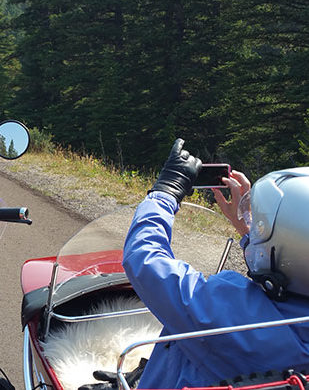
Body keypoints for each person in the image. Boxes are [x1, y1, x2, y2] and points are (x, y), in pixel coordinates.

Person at [86, 139, 309, 389]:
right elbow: (288, 260)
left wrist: (165, 192)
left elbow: (144, 256)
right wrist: (248, 227)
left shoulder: (225, 311)